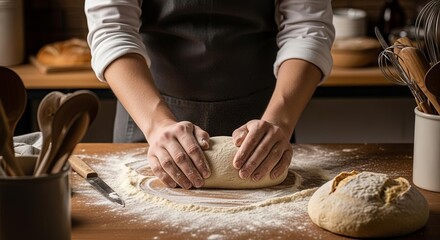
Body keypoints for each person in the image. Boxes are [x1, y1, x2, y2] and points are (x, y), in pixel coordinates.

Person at [85, 0, 334, 189]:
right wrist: (156, 124)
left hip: (264, 113)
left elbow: (308, 26)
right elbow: (112, 29)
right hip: (148, 113)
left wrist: (280, 119)